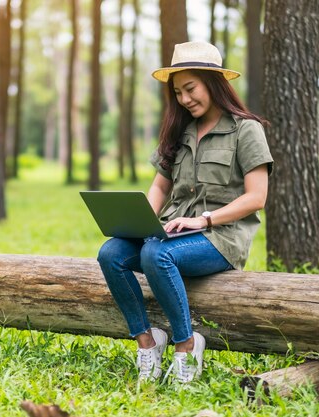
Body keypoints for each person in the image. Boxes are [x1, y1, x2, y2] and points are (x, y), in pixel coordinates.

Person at [97, 41, 274, 385]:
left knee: (155, 254)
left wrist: (204, 219)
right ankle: (148, 343)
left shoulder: (245, 129)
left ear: (213, 83)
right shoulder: (180, 131)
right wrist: (138, 221)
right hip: (174, 232)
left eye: (190, 88)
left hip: (220, 238)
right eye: (178, 92)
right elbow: (160, 187)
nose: (185, 99)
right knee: (111, 254)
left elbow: (257, 198)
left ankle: (187, 344)